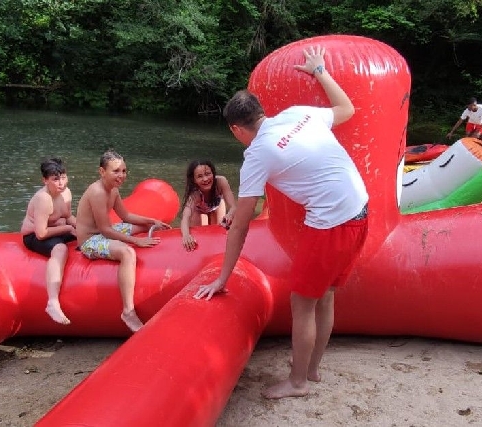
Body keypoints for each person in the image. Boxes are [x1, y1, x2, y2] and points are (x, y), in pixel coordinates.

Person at [193, 46, 369, 399]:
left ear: (236, 129)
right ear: (262, 112)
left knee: (302, 304)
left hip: (331, 224)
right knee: (327, 296)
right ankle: (313, 370)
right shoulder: (298, 114)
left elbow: (239, 226)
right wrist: (320, 70)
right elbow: (347, 109)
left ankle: (299, 382)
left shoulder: (258, 154)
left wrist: (222, 278)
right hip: (361, 210)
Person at [75, 150, 171, 332]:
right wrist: (135, 241)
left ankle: (149, 230)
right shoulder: (97, 192)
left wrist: (151, 221)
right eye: (116, 171)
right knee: (127, 253)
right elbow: (104, 229)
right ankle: (128, 311)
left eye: (124, 171)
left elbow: (125, 215)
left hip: (105, 232)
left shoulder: (113, 190)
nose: (121, 175)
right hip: (90, 241)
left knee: (146, 227)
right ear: (102, 171)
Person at [21, 158, 77, 325]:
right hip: (34, 236)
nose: (61, 183)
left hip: (57, 228)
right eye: (55, 179)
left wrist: (82, 228)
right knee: (60, 249)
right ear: (45, 180)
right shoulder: (43, 199)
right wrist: (68, 229)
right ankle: (52, 302)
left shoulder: (66, 193)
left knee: (88, 232)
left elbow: (68, 217)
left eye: (63, 178)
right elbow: (41, 233)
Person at [180, 160, 236, 251]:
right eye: (200, 176)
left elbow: (233, 206)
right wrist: (186, 235)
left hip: (216, 206)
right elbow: (185, 217)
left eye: (208, 174)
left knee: (219, 233)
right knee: (199, 236)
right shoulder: (195, 195)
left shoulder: (221, 182)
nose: (205, 179)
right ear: (194, 180)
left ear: (213, 173)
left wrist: (230, 214)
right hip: (198, 210)